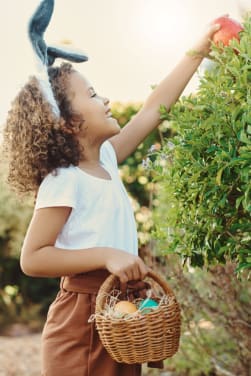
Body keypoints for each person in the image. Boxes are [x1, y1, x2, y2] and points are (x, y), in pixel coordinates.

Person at [3, 14, 220, 376]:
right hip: (82, 318)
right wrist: (107, 255)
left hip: (117, 308)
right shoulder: (65, 179)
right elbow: (34, 258)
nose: (104, 99)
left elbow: (153, 107)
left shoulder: (106, 159)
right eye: (91, 94)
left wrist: (199, 50)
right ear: (69, 123)